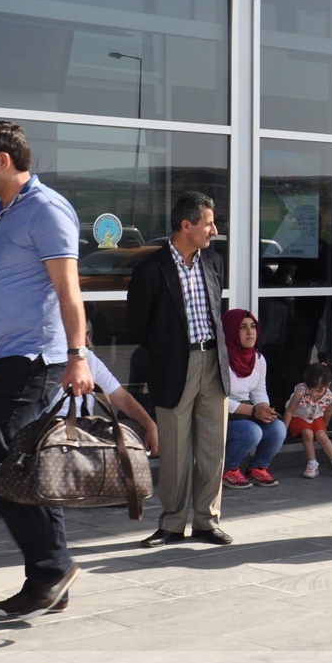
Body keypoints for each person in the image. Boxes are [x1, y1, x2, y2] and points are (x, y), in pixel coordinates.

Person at [0, 120, 92, 618]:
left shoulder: (45, 209)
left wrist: (78, 356)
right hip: (14, 355)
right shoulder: (4, 213)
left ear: (3, 160)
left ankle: (51, 569)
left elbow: (68, 289)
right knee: (30, 466)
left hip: (37, 357)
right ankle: (52, 582)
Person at [127, 191, 234, 548]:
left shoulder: (213, 262)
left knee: (212, 449)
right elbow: (138, 327)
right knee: (174, 451)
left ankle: (207, 521)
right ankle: (172, 524)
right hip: (174, 366)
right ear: (186, 226)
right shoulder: (149, 269)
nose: (214, 230)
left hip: (213, 364)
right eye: (208, 224)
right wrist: (166, 351)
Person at [220, 309, 287, 490]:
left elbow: (259, 391)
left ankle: (257, 468)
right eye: (242, 327)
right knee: (252, 432)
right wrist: (254, 411)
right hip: (221, 414)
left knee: (278, 428)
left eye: (253, 327)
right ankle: (227, 469)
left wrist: (263, 407)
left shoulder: (258, 359)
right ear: (230, 331)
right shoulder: (218, 360)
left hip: (247, 411)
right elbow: (218, 399)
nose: (250, 332)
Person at [286, 362, 332, 477]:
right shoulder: (301, 391)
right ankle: (312, 464)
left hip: (316, 417)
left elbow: (328, 412)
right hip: (299, 416)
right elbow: (290, 411)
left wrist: (324, 426)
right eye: (311, 389)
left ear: (328, 385)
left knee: (322, 435)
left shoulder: (329, 397)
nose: (313, 394)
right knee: (308, 433)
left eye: (318, 391)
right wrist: (284, 428)